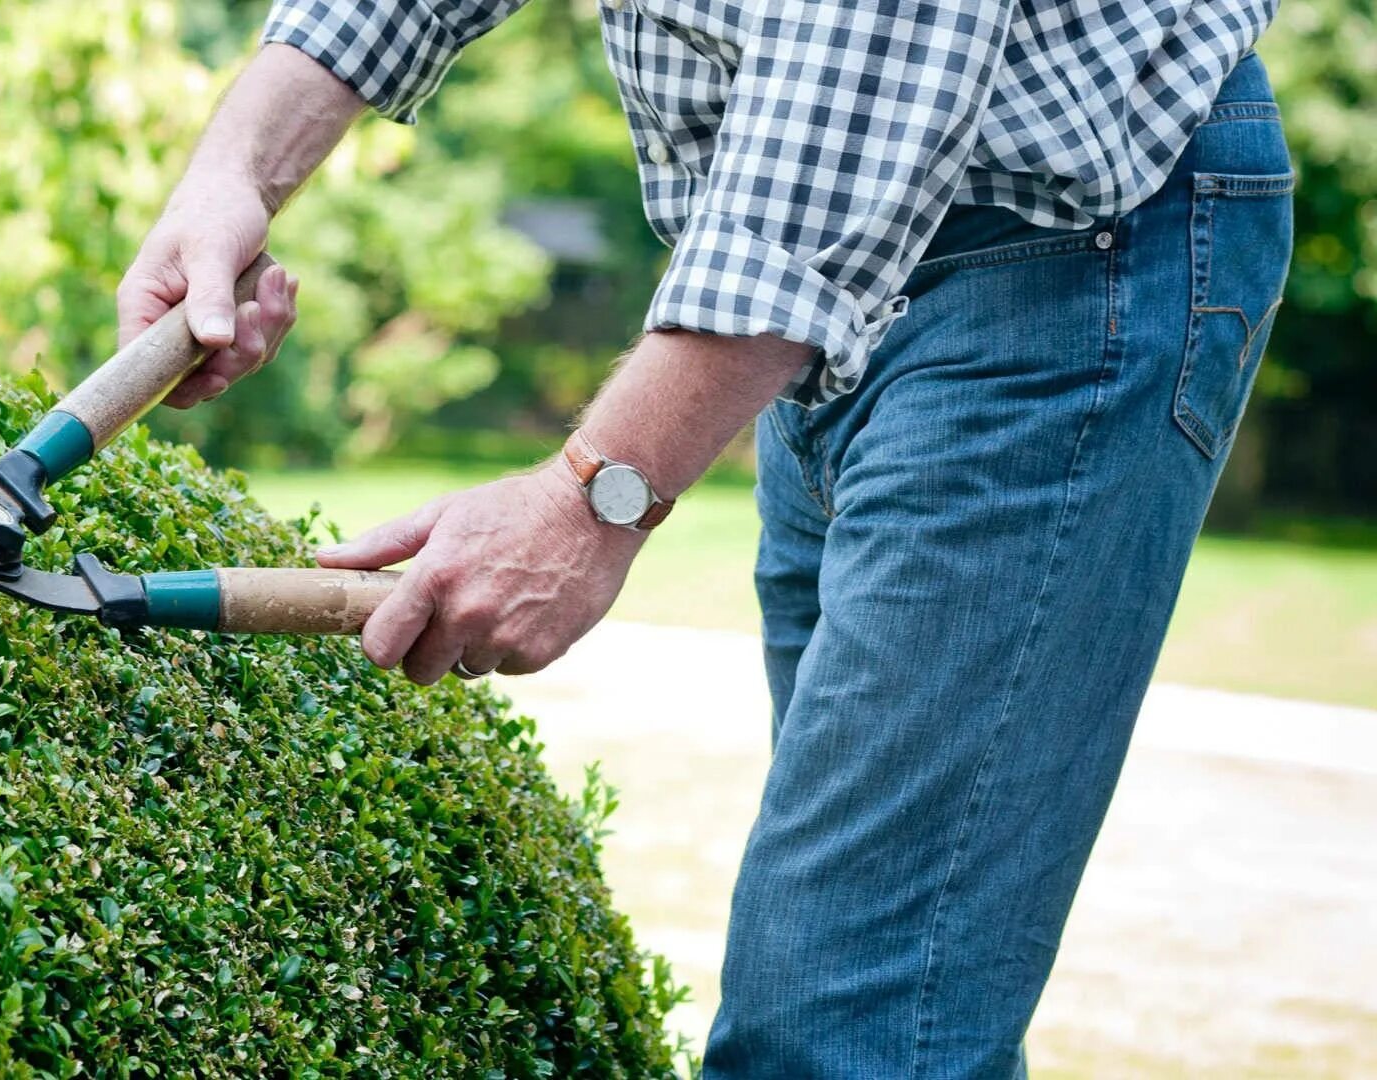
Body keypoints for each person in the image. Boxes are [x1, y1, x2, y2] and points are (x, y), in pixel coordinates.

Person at [118, 0, 1290, 1072]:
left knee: (844, 1025)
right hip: (829, 291)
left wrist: (590, 495)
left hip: (1060, 253)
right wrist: (233, 177)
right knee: (888, 990)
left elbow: (872, 70)